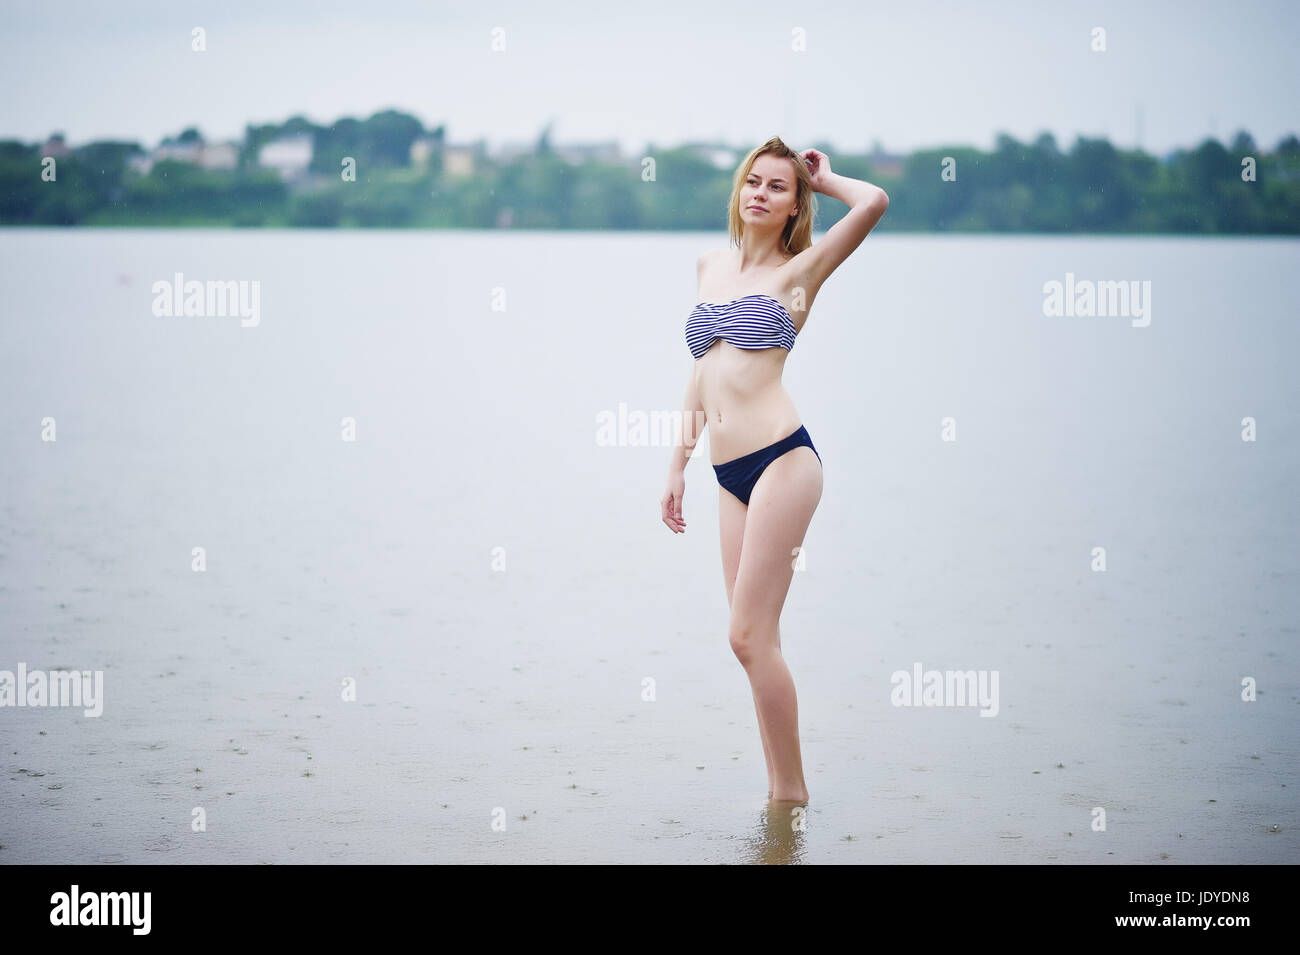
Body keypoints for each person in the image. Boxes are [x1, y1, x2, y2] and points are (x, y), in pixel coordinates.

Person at [660, 136, 889, 805]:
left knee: (745, 632)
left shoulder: (803, 269)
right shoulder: (710, 264)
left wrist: (826, 178)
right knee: (755, 642)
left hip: (783, 461)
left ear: (795, 205)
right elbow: (700, 372)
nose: (759, 193)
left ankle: (790, 797)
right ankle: (780, 804)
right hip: (727, 475)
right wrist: (676, 463)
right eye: (752, 182)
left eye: (777, 187)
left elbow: (874, 202)